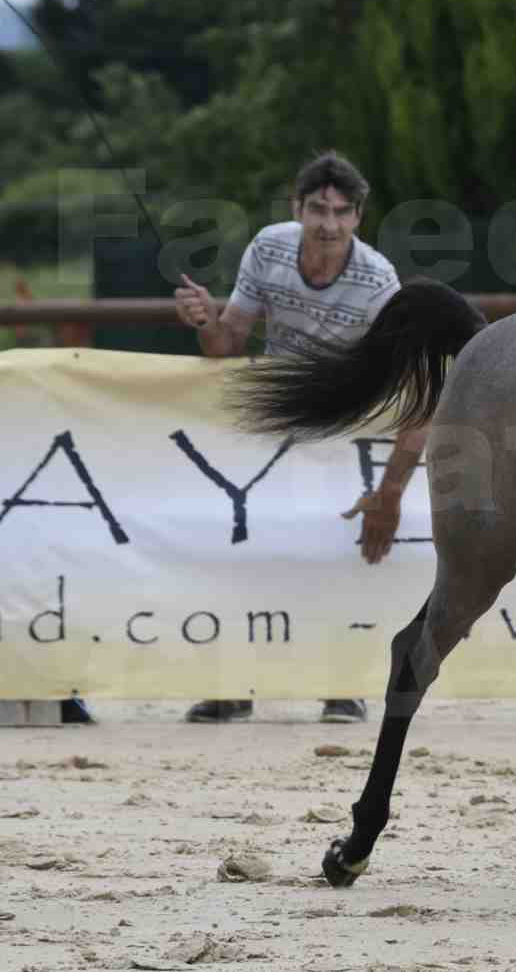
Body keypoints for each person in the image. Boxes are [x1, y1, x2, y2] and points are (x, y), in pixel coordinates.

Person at [172, 152, 426, 724]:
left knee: (335, 552)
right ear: (297, 207)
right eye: (317, 209)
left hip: (344, 420)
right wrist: (203, 319)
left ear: (359, 217)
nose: (328, 224)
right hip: (278, 416)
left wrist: (390, 492)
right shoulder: (266, 248)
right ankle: (234, 684)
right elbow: (227, 345)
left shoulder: (379, 280)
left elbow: (412, 391)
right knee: (243, 544)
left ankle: (342, 685)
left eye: (341, 212)